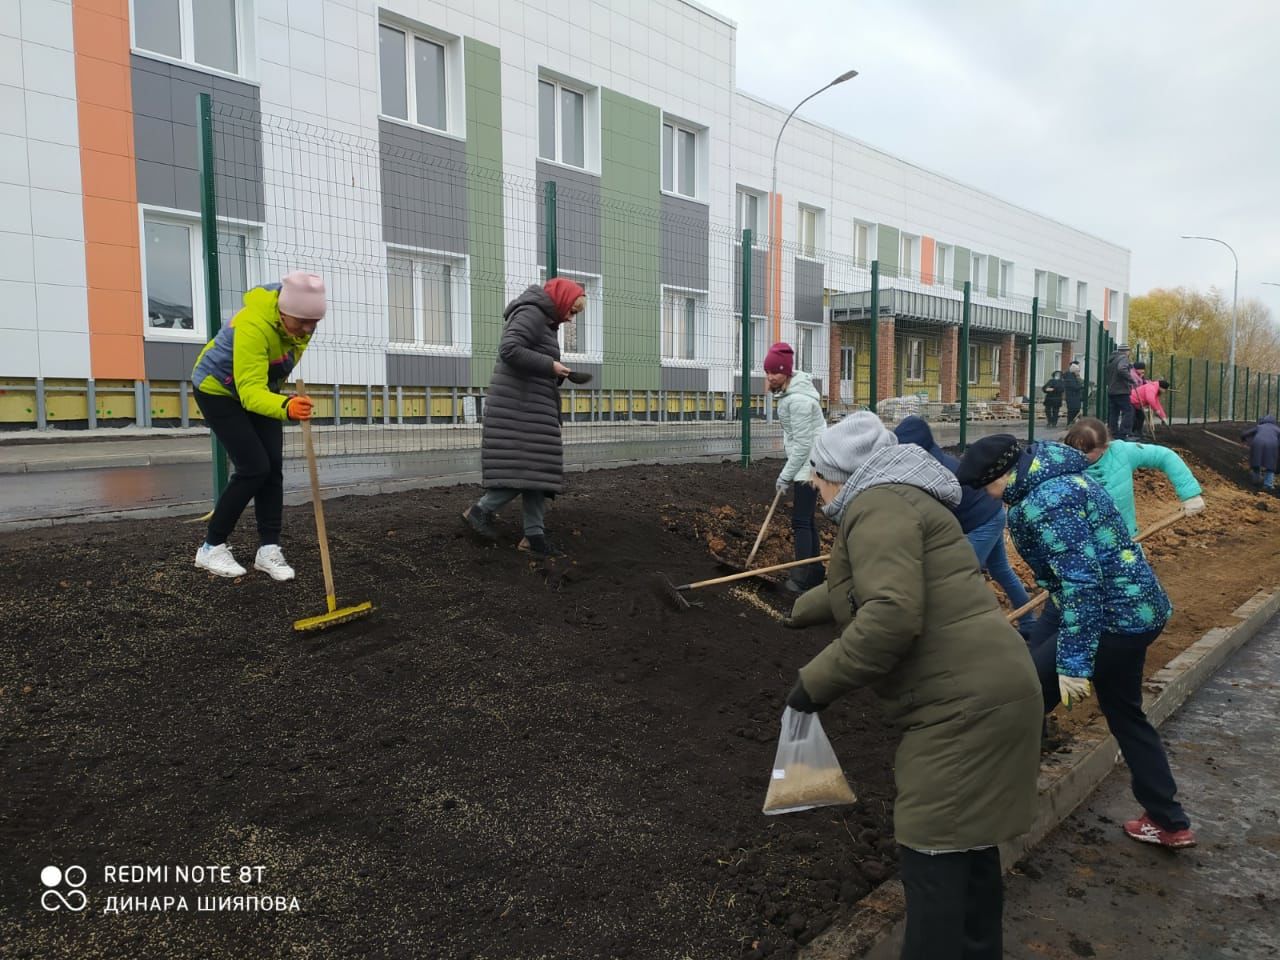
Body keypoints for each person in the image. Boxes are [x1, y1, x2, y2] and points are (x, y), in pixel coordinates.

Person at [785, 412, 1042, 960]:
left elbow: (892, 614)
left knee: (932, 860)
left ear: (840, 474)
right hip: (993, 689)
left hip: (959, 708)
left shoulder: (875, 506)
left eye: (817, 471)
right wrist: (799, 609)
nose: (812, 482)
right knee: (969, 856)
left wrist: (814, 685)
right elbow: (870, 584)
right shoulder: (904, 497)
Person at [957, 435, 1197, 850]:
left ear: (1003, 475)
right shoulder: (1057, 477)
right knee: (1124, 713)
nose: (987, 496)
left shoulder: (1048, 501)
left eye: (986, 487)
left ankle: (985, 814)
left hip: (1112, 617)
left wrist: (1072, 663)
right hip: (1135, 610)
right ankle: (1167, 820)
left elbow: (1084, 585)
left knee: (1023, 698)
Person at [190, 272, 324, 580]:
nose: (306, 330)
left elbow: (273, 370)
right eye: (301, 322)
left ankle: (268, 549)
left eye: (313, 323)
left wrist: (281, 400)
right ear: (282, 312)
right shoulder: (253, 325)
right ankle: (211, 548)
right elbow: (249, 392)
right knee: (253, 467)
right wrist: (284, 408)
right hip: (218, 390)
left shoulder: (302, 323)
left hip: (260, 389)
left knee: (272, 467)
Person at [462, 277, 585, 558]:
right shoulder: (532, 313)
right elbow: (509, 349)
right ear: (562, 301)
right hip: (518, 408)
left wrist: (555, 371)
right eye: (572, 311)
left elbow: (530, 357)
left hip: (530, 407)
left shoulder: (545, 321)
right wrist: (550, 365)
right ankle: (480, 511)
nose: (569, 318)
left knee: (537, 472)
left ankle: (534, 537)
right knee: (529, 472)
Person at [894, 416, 1036, 627]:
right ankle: (1029, 624)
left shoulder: (933, 470)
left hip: (982, 520)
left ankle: (972, 628)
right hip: (991, 512)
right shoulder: (933, 459)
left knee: (960, 575)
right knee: (1000, 570)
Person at [1062, 417, 1204, 537]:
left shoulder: (1121, 453)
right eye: (1074, 449)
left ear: (1104, 447)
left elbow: (1165, 456)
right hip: (1083, 546)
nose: (1078, 454)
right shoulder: (1059, 462)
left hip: (1124, 539)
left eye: (1086, 451)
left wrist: (1190, 494)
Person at [764, 341, 827, 594]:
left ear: (787, 372)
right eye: (767, 372)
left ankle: (802, 578)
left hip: (808, 465)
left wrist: (784, 476)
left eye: (775, 372)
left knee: (801, 522)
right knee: (807, 519)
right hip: (812, 463)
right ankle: (814, 571)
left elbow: (801, 445)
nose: (770, 376)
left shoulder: (798, 401)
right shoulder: (792, 394)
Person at [1104, 344, 1140, 440]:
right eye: (1129, 351)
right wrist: (1132, 380)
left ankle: (1113, 433)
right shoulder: (1123, 358)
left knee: (1114, 413)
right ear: (1126, 351)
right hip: (1121, 391)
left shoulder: (1111, 360)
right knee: (1129, 411)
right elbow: (1121, 369)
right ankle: (1124, 434)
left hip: (1111, 390)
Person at [1242, 414, 1280, 491]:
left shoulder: (1259, 427)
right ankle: (1268, 485)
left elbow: (1245, 433)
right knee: (1270, 465)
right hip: (1272, 445)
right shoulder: (1277, 429)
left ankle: (1256, 480)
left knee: (1256, 462)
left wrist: (1243, 440)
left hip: (1257, 443)